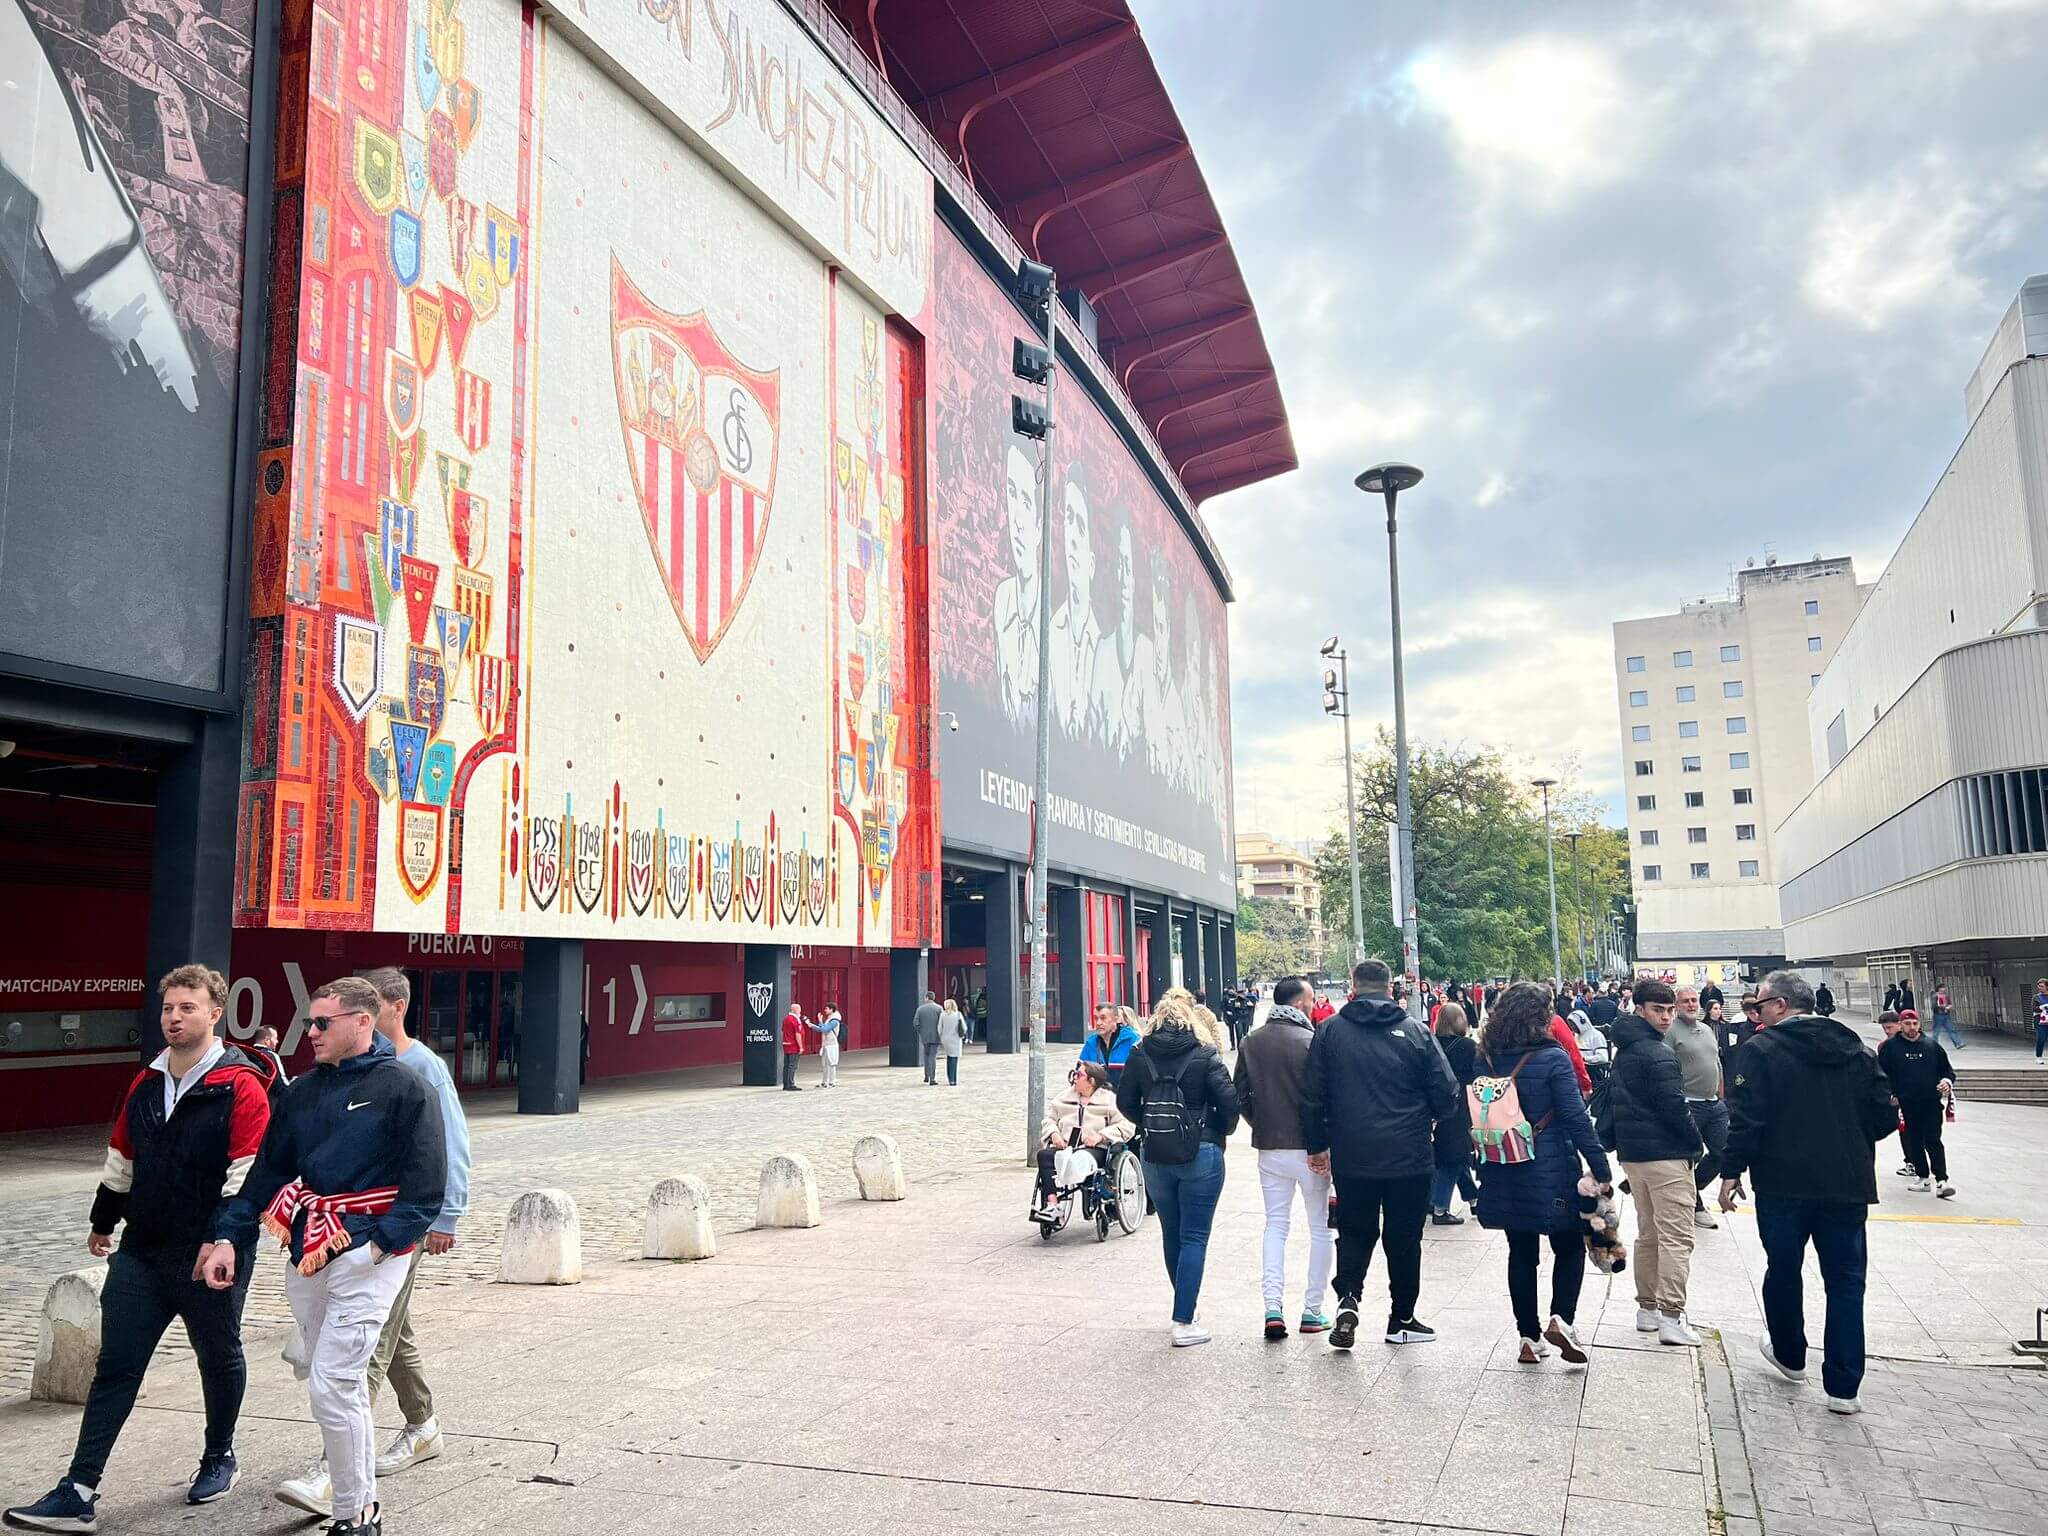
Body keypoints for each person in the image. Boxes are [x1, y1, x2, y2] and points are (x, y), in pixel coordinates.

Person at [5, 967, 275, 1534]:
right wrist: (103, 1221)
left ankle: (219, 1455)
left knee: (218, 1357)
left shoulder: (240, 1083)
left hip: (208, 1253)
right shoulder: (147, 1082)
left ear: (214, 1013)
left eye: (188, 1007)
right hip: (142, 1251)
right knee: (116, 1367)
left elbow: (247, 1174)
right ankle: (78, 1490)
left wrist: (224, 1240)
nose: (174, 1017)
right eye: (168, 1007)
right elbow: (121, 1157)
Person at [202, 976, 446, 1536]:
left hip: (370, 1257)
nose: (309, 1032)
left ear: (363, 1022)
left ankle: (354, 1513)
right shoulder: (302, 1091)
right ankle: (362, 1510)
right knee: (342, 1385)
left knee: (332, 1384)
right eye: (310, 1021)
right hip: (306, 1253)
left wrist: (380, 1247)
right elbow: (266, 1175)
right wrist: (226, 1237)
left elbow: (426, 1186)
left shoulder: (406, 1087)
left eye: (322, 1023)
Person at [275, 969, 472, 1517]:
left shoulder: (419, 1071)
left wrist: (438, 1220)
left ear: (389, 1010)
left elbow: (446, 1150)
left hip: (390, 1228)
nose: (314, 1030)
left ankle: (335, 1478)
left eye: (324, 1021)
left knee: (359, 1352)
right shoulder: (321, 1081)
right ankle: (423, 1423)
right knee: (392, 1329)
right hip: (333, 1235)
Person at [1720, 970, 1898, 1414]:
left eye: (1758, 1006)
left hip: (1782, 1184)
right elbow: (1883, 1115)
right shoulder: (1855, 1048)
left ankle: (1789, 1354)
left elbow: (1747, 1119)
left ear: (1780, 1006)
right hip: (1846, 1183)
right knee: (1846, 1282)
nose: (1754, 1013)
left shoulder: (1759, 1051)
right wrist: (1847, 1141)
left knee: (1782, 1268)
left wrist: (1731, 1170)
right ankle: (1843, 1387)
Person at [1301, 959, 1459, 1351]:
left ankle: (1348, 1298)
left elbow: (1311, 1095)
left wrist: (1318, 1144)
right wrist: (1433, 1118)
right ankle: (1402, 1318)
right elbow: (1447, 1090)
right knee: (1404, 1237)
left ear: (1353, 985)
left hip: (1354, 1153)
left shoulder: (1330, 1031)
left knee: (1355, 1230)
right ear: (1391, 987)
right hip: (1410, 1153)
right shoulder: (1415, 1031)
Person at [1470, 982, 1613, 1365]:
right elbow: (1575, 1117)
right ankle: (1561, 1319)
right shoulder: (1552, 1058)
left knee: (1521, 1252)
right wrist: (1600, 1168)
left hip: (1503, 1165)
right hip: (1550, 1166)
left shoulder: (1485, 1057)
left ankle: (1528, 1338)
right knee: (1568, 1246)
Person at [1115, 992, 1238, 1346]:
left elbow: (1124, 1102)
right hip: (1201, 1152)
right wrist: (1216, 1132)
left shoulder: (1140, 1054)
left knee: (1172, 1232)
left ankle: (1186, 1307)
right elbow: (1229, 1102)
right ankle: (1184, 1320)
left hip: (1155, 1154)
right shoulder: (1204, 1054)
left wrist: (1150, 1126)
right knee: (1195, 1236)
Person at [1232, 976, 1333, 1339]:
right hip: (1311, 1150)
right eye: (1309, 999)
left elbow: (1239, 1092)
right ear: (1300, 1003)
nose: (1312, 1004)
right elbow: (1326, 1097)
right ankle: (1313, 1309)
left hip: (1270, 1146)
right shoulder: (1313, 1041)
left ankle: (1272, 1307)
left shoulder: (1251, 1042)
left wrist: (1259, 1121)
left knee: (1275, 1225)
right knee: (1319, 1227)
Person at [1611, 979, 1705, 1347]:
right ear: (1640, 1009)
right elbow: (1674, 1106)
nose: (1666, 1017)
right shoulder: (1658, 1052)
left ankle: (1647, 1309)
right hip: (1666, 1155)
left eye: (1669, 1010)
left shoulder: (1626, 1047)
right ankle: (1671, 1316)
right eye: (1658, 1010)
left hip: (1635, 1155)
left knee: (1649, 1235)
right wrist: (1696, 1144)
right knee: (1677, 1239)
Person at [1034, 1062, 1133, 1217]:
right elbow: (1049, 1120)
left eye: (1079, 1075)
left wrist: (1101, 1135)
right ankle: (1053, 1204)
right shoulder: (1064, 1097)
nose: (1074, 1078)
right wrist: (1054, 1134)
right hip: (1066, 1146)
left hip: (1094, 1149)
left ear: (1091, 1081)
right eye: (1074, 1073)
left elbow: (1126, 1125)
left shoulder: (1109, 1100)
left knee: (1078, 1159)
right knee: (1044, 1155)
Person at [1667, 987, 1728, 1232]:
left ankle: (1691, 1192)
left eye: (1694, 1000)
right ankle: (1695, 1206)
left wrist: (1721, 1094)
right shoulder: (1670, 1032)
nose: (1691, 1005)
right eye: (1685, 1001)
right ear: (1676, 1005)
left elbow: (1717, 1063)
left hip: (1714, 1103)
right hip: (1689, 1103)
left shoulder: (1705, 1030)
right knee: (1689, 1156)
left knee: (1723, 1153)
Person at [1878, 1012, 1956, 1197]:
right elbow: (1881, 1074)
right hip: (1905, 1102)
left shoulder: (1931, 1046)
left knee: (1933, 1140)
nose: (1911, 1027)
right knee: (1913, 1140)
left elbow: (1947, 1070)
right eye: (1907, 1023)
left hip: (1930, 1101)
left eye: (1914, 1023)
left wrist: (1946, 1081)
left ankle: (1942, 1179)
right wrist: (1888, 1095)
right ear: (1901, 1024)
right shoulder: (1890, 1048)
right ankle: (1922, 1176)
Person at [1429, 1002, 1481, 1224]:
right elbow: (1479, 1076)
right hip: (1461, 1108)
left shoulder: (1431, 1044)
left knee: (1454, 1156)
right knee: (1454, 1159)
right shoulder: (1468, 1046)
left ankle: (1474, 1201)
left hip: (1436, 1108)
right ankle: (1439, 1209)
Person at [1079, 1001, 1140, 1086]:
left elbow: (1143, 1075)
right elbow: (1080, 1074)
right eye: (1096, 1018)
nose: (1098, 1023)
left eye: (1103, 1018)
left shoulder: (1133, 1040)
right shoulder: (1091, 1042)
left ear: (1115, 1019)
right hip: (1098, 1097)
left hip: (1126, 1097)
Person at [913, 991, 943, 1085]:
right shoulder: (939, 1008)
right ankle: (932, 1079)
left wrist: (921, 1032)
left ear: (926, 998)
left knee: (926, 1055)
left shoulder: (920, 1009)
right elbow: (942, 1023)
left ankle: (926, 1076)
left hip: (924, 1036)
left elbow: (916, 1023)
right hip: (936, 1036)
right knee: (932, 1056)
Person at [809, 1006, 842, 1087]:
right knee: (825, 1064)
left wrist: (817, 1023)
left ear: (832, 1009)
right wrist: (814, 1025)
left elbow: (825, 1029)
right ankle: (824, 1082)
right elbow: (822, 1029)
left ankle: (832, 1082)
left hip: (831, 1045)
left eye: (826, 1009)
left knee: (831, 1063)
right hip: (826, 1044)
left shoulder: (834, 1020)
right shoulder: (829, 1019)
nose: (825, 1010)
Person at [938, 997, 967, 1085]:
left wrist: (941, 1037)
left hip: (946, 1039)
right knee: (954, 1059)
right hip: (956, 1039)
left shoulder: (943, 1015)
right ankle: (953, 1080)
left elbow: (939, 1028)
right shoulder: (958, 1014)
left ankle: (950, 1078)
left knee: (949, 1058)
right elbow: (964, 1028)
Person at [780, 1000, 804, 1091]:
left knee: (786, 1065)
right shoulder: (795, 1020)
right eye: (799, 1010)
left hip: (786, 1044)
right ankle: (791, 1084)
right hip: (793, 1046)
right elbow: (798, 1034)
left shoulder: (786, 1019)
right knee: (792, 1065)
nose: (800, 1012)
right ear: (796, 1010)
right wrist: (800, 1046)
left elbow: (783, 1031)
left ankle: (785, 1084)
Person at [1928, 985, 1961, 1050]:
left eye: (1944, 988)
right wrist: (1944, 1007)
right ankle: (1934, 1044)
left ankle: (1958, 1043)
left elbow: (1950, 1003)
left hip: (1946, 1015)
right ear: (1939, 989)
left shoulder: (1946, 996)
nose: (1944, 989)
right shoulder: (1935, 996)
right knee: (1936, 1031)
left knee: (1951, 1029)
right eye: (1942, 988)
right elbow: (1934, 1006)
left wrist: (1949, 1006)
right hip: (1938, 1015)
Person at [2036, 978, 2048, 1064]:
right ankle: (2039, 1057)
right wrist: (2042, 1007)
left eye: (2042, 986)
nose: (2040, 988)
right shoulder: (2036, 997)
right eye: (2039, 986)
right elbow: (2033, 1008)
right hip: (2041, 1022)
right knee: (2041, 1039)